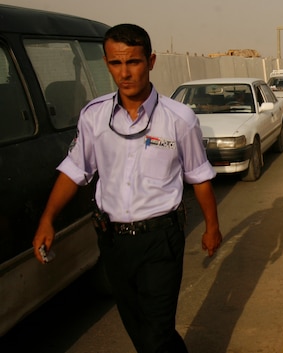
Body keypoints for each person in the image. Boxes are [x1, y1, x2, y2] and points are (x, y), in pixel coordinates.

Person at [32, 24, 222, 353]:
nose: (125, 73)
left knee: (156, 331)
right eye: (116, 64)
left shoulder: (179, 119)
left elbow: (199, 176)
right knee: (139, 327)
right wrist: (47, 219)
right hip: (112, 239)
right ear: (106, 63)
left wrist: (212, 227)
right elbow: (75, 169)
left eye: (133, 62)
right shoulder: (93, 117)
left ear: (151, 61)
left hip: (161, 238)